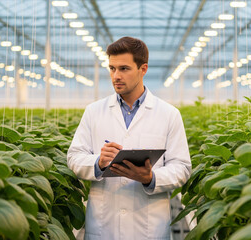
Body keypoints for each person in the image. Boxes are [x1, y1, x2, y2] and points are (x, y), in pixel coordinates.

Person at [67, 36, 191, 240]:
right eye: (112, 68)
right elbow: (74, 157)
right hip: (103, 225)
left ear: (143, 69)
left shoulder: (169, 114)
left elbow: (182, 167)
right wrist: (98, 162)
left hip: (148, 228)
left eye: (124, 68)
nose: (116, 75)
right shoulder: (94, 111)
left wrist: (151, 178)